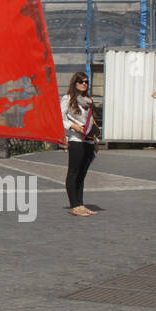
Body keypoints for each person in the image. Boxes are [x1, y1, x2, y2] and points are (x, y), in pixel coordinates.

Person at [62, 72, 97, 217]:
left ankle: (80, 204)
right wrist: (72, 127)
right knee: (73, 172)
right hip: (76, 139)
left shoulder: (88, 100)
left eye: (86, 82)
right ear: (75, 83)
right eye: (81, 81)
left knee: (82, 174)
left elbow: (91, 120)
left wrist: (95, 139)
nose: (84, 84)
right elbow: (60, 117)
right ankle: (74, 205)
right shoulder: (68, 99)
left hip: (88, 140)